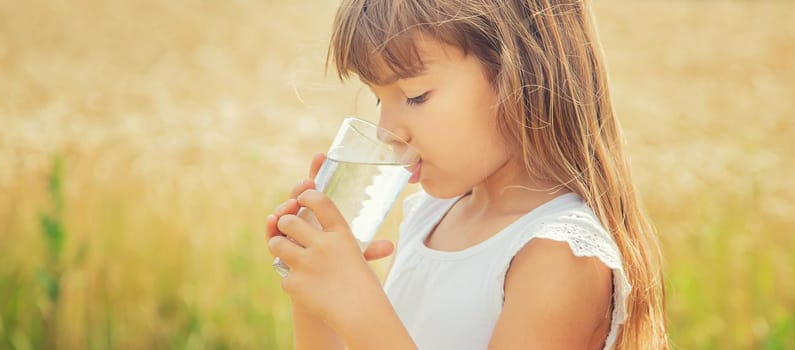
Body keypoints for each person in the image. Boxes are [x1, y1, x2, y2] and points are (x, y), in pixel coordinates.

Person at [266, 0, 668, 349]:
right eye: (378, 98)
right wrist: (315, 291)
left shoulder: (558, 255)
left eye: (415, 96)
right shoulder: (430, 216)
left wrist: (358, 306)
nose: (390, 131)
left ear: (520, 72)